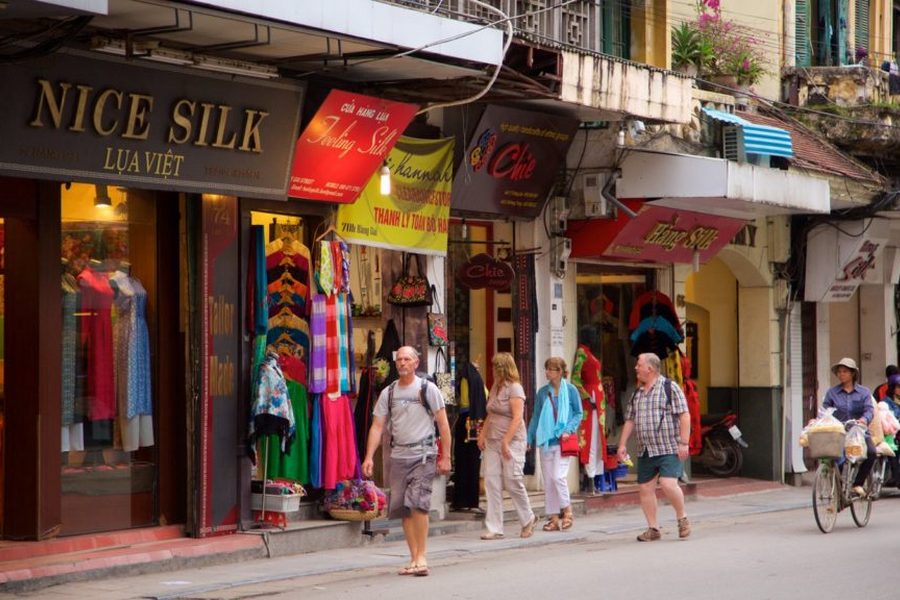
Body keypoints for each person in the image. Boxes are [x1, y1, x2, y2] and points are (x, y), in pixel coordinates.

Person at [362, 346, 451, 577]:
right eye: (399, 359)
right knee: (403, 509)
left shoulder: (427, 389)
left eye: (407, 359)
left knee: (418, 504)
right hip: (398, 455)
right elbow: (377, 427)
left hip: (423, 454)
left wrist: (446, 456)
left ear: (416, 363)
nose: (402, 363)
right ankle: (413, 558)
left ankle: (422, 556)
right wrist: (369, 456)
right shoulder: (388, 393)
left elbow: (443, 424)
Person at [616, 352, 691, 542]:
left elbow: (684, 415)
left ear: (649, 368)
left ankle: (682, 518)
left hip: (669, 446)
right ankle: (653, 528)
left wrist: (684, 442)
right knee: (645, 488)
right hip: (646, 449)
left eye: (638, 365)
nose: (636, 368)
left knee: (667, 484)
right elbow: (630, 420)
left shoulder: (669, 387)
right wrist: (622, 444)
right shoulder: (637, 393)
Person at [477, 352, 536, 540]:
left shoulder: (515, 389)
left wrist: (506, 441)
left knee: (512, 480)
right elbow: (491, 413)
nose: (493, 370)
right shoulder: (495, 387)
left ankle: (527, 518)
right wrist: (482, 434)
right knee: (491, 481)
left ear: (503, 369)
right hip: (492, 440)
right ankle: (494, 527)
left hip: (512, 441)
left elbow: (518, 417)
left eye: (496, 367)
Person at [527, 357, 583, 531]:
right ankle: (553, 518)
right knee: (549, 481)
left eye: (551, 369)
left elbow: (578, 413)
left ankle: (568, 511)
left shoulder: (571, 390)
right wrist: (529, 438)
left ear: (560, 372)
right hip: (546, 441)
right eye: (546, 369)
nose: (547, 372)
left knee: (559, 476)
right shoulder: (543, 392)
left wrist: (568, 429)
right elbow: (536, 416)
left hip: (563, 441)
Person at [823, 357, 875, 497]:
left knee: (871, 452)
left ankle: (857, 484)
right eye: (839, 372)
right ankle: (838, 493)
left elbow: (869, 410)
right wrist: (821, 420)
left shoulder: (864, 392)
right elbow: (825, 409)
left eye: (845, 371)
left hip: (858, 431)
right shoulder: (832, 393)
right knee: (837, 459)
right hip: (839, 432)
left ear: (852, 374)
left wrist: (864, 420)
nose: (841, 374)